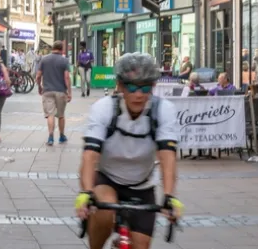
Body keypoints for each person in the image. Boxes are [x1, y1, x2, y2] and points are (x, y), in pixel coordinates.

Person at [76, 53, 184, 249]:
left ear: (153, 87)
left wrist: (169, 195)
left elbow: (167, 156)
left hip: (142, 184)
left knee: (140, 245)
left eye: (145, 87)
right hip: (106, 178)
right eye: (132, 87)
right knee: (105, 211)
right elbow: (90, 155)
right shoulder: (104, 108)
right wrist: (86, 192)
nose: (139, 94)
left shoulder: (163, 110)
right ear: (120, 86)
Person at [36, 40, 72, 146]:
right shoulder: (64, 60)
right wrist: (69, 92)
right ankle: (61, 136)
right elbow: (66, 77)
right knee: (61, 115)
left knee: (50, 114)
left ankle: (51, 137)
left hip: (47, 91)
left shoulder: (44, 59)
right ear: (62, 49)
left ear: (53, 48)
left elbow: (38, 76)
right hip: (61, 91)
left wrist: (39, 86)